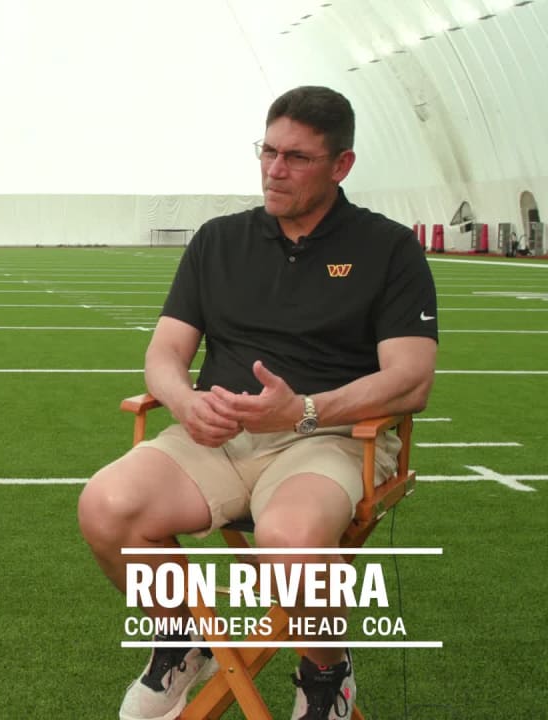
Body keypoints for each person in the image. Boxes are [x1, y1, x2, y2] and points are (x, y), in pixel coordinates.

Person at [77, 86, 438, 720]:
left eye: (297, 157)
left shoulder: (388, 248)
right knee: (105, 506)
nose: (275, 169)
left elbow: (411, 379)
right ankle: (183, 642)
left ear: (341, 165)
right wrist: (184, 401)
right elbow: (163, 355)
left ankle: (326, 671)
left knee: (291, 541)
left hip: (331, 439)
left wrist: (303, 410)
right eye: (267, 151)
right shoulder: (219, 241)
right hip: (216, 435)